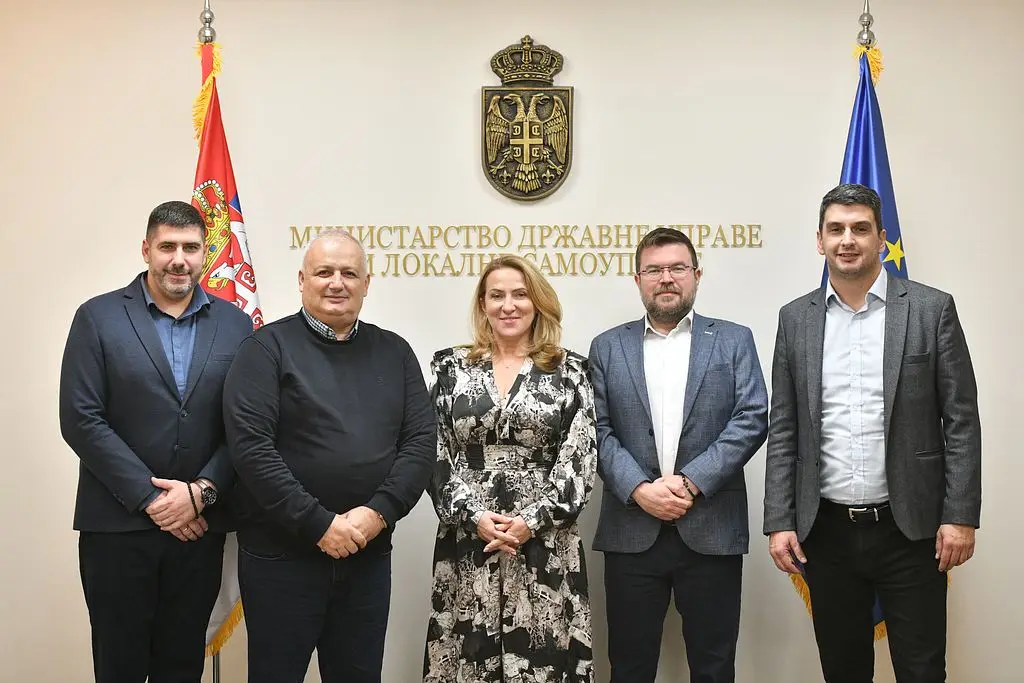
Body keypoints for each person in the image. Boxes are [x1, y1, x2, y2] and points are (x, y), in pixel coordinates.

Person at [763, 183, 981, 683]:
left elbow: (961, 420)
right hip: (826, 532)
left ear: (882, 238)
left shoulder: (931, 309)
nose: (847, 240)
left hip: (912, 531)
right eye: (836, 229)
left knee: (922, 670)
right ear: (819, 240)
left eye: (860, 228)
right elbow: (785, 425)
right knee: (843, 670)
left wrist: (960, 515)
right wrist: (779, 520)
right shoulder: (795, 319)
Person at [223, 229, 436, 683]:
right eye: (324, 272)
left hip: (366, 556)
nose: (337, 283)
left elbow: (420, 444)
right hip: (282, 560)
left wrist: (378, 514)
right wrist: (319, 524)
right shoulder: (265, 349)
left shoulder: (395, 352)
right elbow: (252, 450)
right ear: (302, 280)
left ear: (366, 283)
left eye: (349, 273)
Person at [59, 200, 253, 682]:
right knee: (118, 666)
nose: (179, 259)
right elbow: (81, 418)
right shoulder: (97, 317)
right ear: (146, 250)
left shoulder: (235, 323)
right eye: (167, 246)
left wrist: (201, 493)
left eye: (190, 247)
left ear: (205, 253)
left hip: (200, 529)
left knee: (181, 665)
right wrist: (154, 500)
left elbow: (246, 425)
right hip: (117, 530)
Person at [588, 227, 768, 683]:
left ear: (697, 275)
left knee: (714, 667)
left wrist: (690, 483)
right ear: (638, 279)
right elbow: (597, 430)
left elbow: (752, 417)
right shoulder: (607, 347)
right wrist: (639, 489)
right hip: (631, 530)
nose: (666, 278)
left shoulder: (733, 339)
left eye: (677, 268)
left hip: (711, 528)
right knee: (629, 667)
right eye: (654, 270)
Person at [423, 254, 597, 683]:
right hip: (469, 539)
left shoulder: (570, 370)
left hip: (546, 542)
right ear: (482, 304)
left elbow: (580, 456)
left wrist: (531, 521)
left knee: (543, 654)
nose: (508, 305)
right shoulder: (451, 369)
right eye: (496, 295)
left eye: (520, 294)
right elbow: (432, 452)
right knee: (468, 655)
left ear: (537, 302)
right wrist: (473, 516)